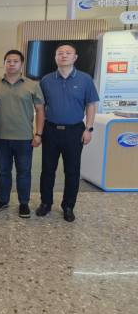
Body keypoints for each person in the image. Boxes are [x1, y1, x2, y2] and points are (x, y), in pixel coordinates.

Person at [37, 43, 99, 222]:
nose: (64, 56)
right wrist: (39, 132)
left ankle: (68, 206)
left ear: (75, 57)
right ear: (55, 57)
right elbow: (40, 108)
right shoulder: (46, 80)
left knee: (72, 171)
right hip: (50, 130)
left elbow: (90, 105)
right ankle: (46, 203)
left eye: (68, 53)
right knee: (47, 170)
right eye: (60, 53)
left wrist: (88, 129)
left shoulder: (85, 79)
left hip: (74, 131)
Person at [0, 50, 45, 218]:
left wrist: (39, 134)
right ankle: (2, 200)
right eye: (8, 61)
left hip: (24, 138)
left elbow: (40, 110)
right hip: (1, 137)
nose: (12, 64)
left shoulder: (32, 85)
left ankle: (23, 203)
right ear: (4, 63)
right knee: (3, 172)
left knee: (24, 173)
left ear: (22, 64)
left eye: (15, 61)